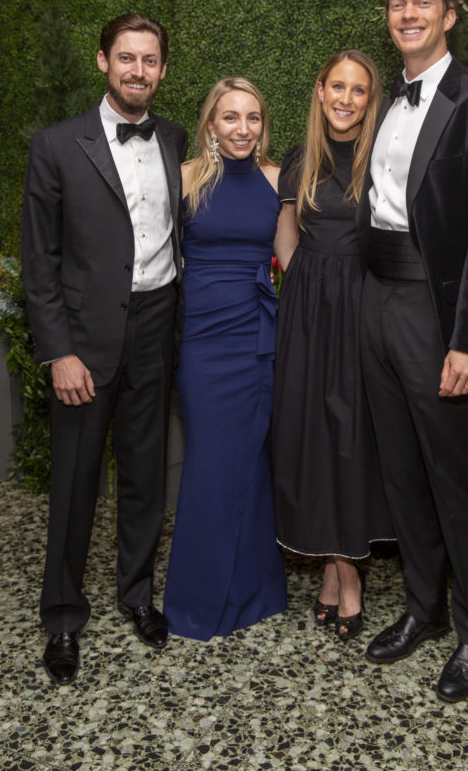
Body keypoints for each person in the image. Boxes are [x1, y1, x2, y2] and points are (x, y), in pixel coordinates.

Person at [358, 0, 468, 701]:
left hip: (437, 311)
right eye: (397, 4)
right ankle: (422, 608)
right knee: (399, 469)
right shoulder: (382, 103)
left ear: (449, 14)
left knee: (454, 479)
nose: (408, 15)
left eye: (422, 3)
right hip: (377, 301)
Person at [22, 13, 188, 685]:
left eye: (149, 61)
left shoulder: (176, 139)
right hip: (84, 341)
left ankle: (136, 596)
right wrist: (58, 350)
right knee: (75, 483)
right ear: (102, 62)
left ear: (163, 70)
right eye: (126, 59)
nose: (138, 71)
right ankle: (62, 616)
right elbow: (41, 261)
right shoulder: (58, 145)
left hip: (156, 326)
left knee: (146, 477)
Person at [270, 50, 394, 642]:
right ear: (320, 91)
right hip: (308, 309)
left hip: (362, 306)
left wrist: (357, 295)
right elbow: (287, 234)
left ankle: (348, 574)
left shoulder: (381, 159)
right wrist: (305, 291)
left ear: (371, 100)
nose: (346, 99)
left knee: (351, 437)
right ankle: (329, 564)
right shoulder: (301, 157)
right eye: (337, 87)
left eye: (359, 90)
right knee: (310, 434)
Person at [163, 78, 288, 640]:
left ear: (264, 125)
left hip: (257, 336)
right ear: (210, 123)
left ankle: (257, 592)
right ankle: (198, 599)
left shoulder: (277, 180)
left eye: (253, 118)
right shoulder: (185, 178)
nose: (243, 129)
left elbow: (293, 259)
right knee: (211, 462)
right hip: (201, 339)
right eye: (230, 117)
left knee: (251, 461)